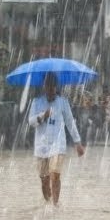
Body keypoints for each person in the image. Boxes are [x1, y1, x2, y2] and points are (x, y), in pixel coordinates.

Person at [26, 73, 85, 206]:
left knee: (55, 175)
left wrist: (78, 143)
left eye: (53, 87)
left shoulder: (63, 102)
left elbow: (70, 122)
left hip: (58, 145)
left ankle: (55, 207)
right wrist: (43, 116)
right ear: (44, 87)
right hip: (41, 146)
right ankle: (48, 203)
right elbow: (30, 122)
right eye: (48, 87)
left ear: (56, 87)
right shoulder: (36, 102)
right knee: (44, 180)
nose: (51, 91)